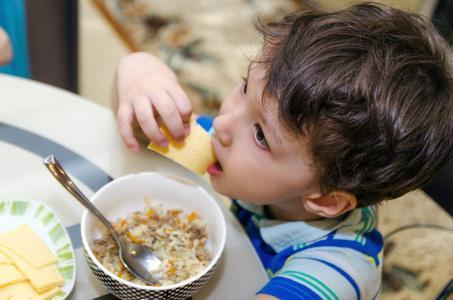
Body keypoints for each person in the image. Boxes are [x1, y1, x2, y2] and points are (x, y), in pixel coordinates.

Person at [112, 3, 453, 299]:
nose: (225, 122)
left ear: (325, 201)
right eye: (245, 87)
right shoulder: (244, 153)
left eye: (260, 135)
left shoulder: (333, 273)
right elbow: (142, 128)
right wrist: (138, 73)